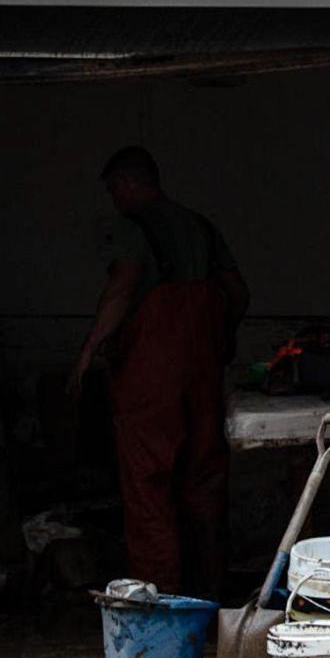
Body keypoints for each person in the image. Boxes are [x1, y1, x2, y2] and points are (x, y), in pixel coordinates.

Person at [70, 146, 248, 600]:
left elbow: (121, 288)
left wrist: (89, 350)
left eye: (114, 190)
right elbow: (237, 292)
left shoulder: (133, 229)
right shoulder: (201, 227)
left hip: (152, 381)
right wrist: (215, 340)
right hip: (202, 379)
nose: (113, 200)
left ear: (129, 184)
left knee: (147, 481)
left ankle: (160, 598)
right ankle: (209, 597)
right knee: (204, 479)